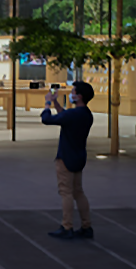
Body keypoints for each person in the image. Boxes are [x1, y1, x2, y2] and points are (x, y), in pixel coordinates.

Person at [40, 80, 97, 240]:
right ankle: (87, 226)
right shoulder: (86, 115)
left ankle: (67, 226)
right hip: (79, 157)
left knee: (66, 192)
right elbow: (64, 116)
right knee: (78, 192)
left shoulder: (73, 115)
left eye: (73, 92)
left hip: (65, 157)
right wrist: (56, 102)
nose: (71, 94)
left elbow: (47, 119)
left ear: (78, 96)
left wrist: (47, 103)